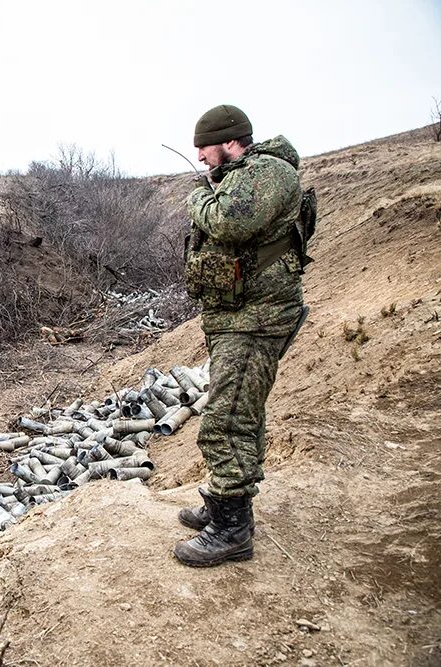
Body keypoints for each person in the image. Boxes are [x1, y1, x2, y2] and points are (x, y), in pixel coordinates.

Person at [173, 104, 306, 567]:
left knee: (225, 421)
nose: (200, 158)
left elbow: (230, 222)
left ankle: (232, 531)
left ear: (230, 141)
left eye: (204, 149)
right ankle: (227, 504)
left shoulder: (266, 171)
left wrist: (198, 197)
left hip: (258, 319)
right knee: (240, 414)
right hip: (240, 316)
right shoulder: (246, 172)